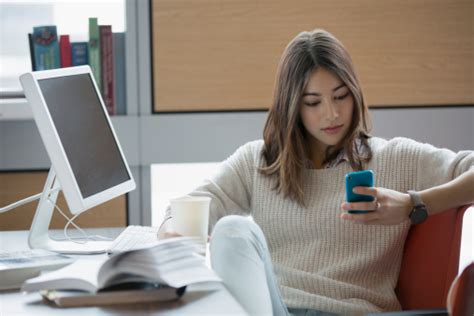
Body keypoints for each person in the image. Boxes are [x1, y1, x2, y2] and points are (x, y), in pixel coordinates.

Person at [160, 29, 474, 315]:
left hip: (351, 312)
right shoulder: (257, 162)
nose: (332, 113)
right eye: (313, 102)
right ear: (292, 106)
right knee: (231, 230)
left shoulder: (395, 157)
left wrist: (413, 203)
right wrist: (170, 230)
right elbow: (180, 211)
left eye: (341, 96)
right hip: (274, 309)